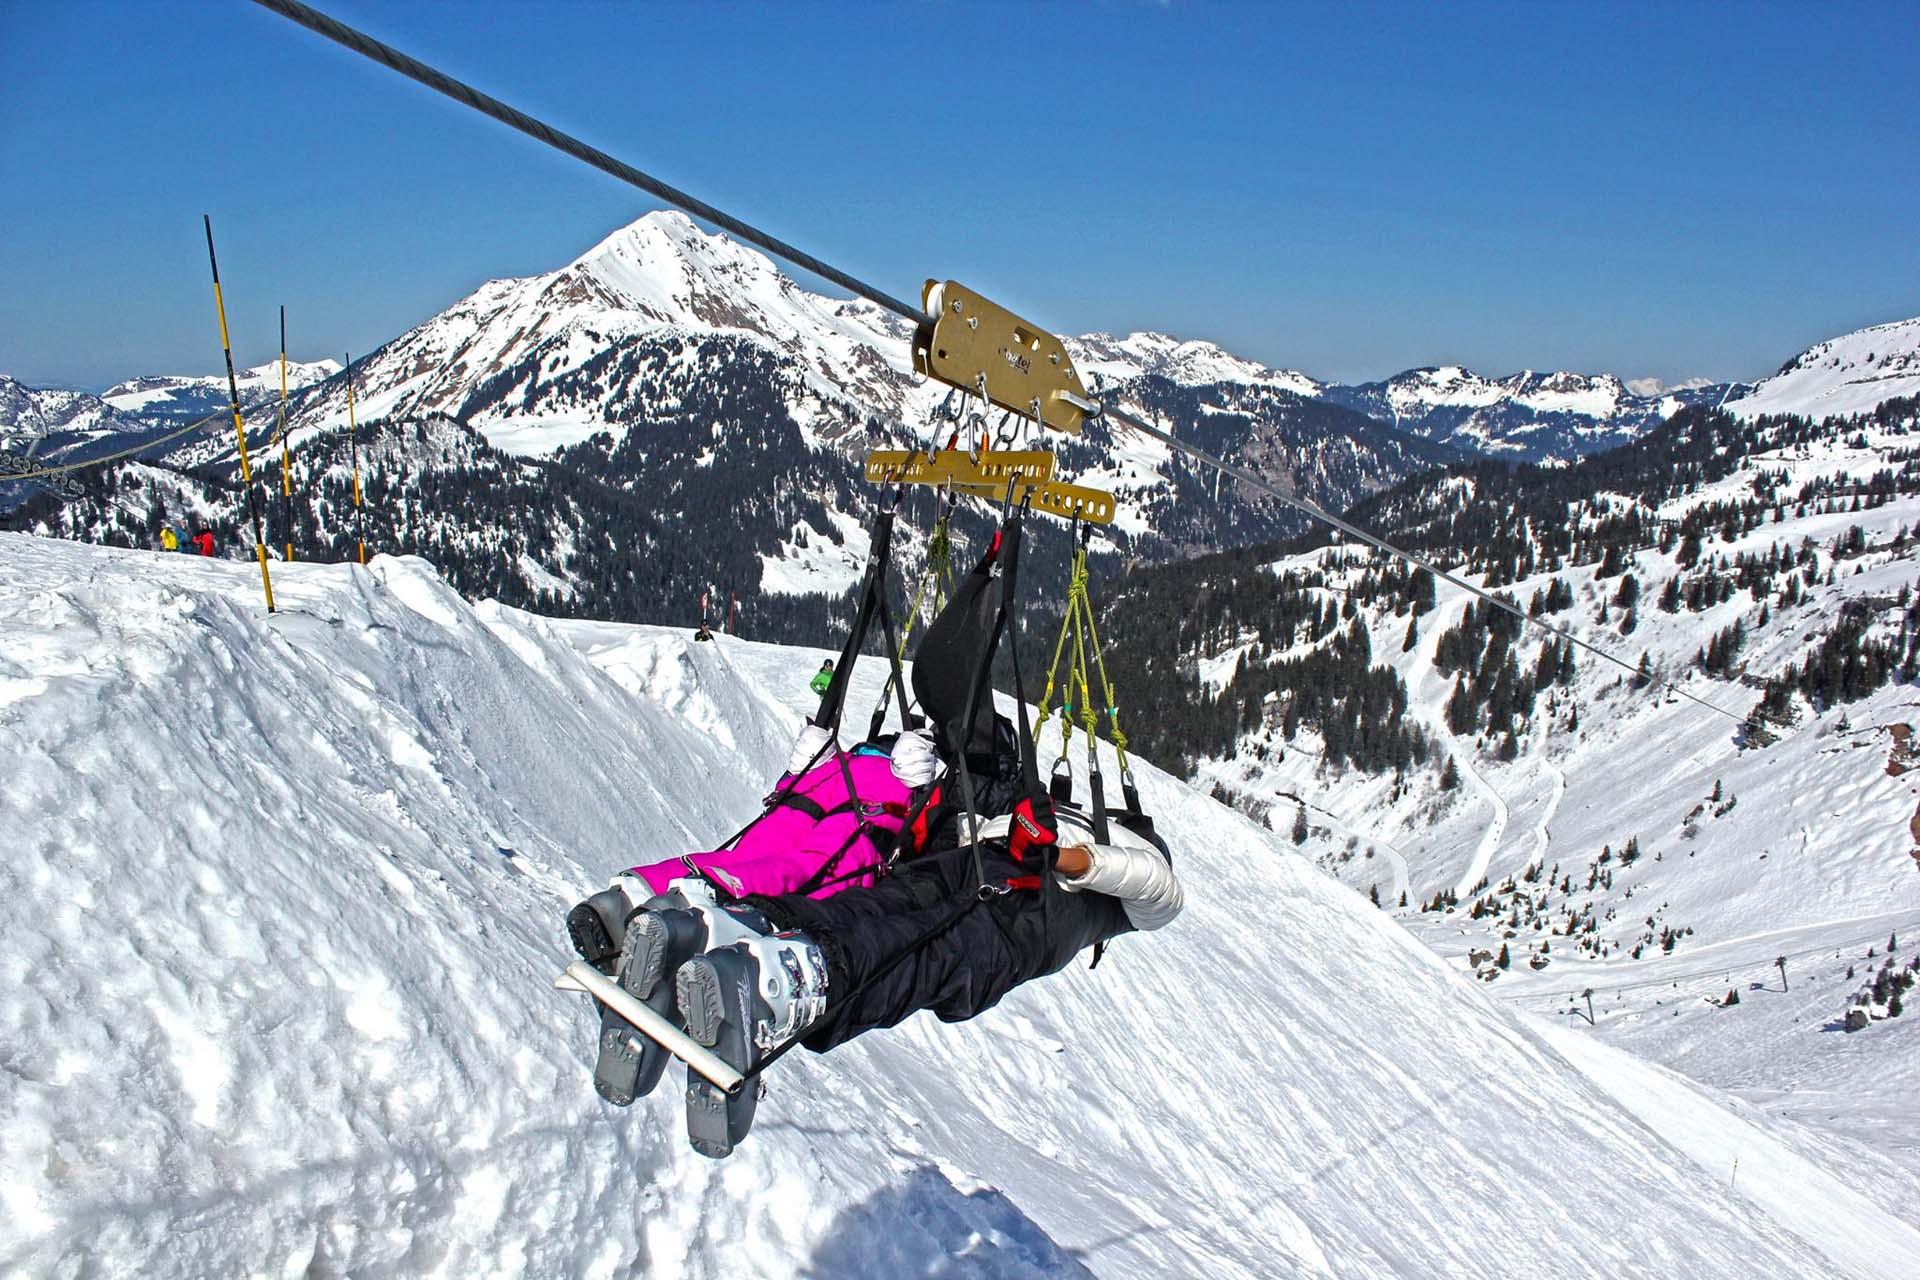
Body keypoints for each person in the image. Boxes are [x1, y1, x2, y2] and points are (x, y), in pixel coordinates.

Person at [569, 523, 1182, 1158]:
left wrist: (1064, 857)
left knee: (923, 953)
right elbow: (957, 715)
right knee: (863, 907)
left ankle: (783, 979)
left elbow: (1161, 890)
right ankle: (734, 934)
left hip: (1019, 920)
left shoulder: (1117, 891)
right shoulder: (1033, 804)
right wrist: (986, 578)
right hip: (962, 867)